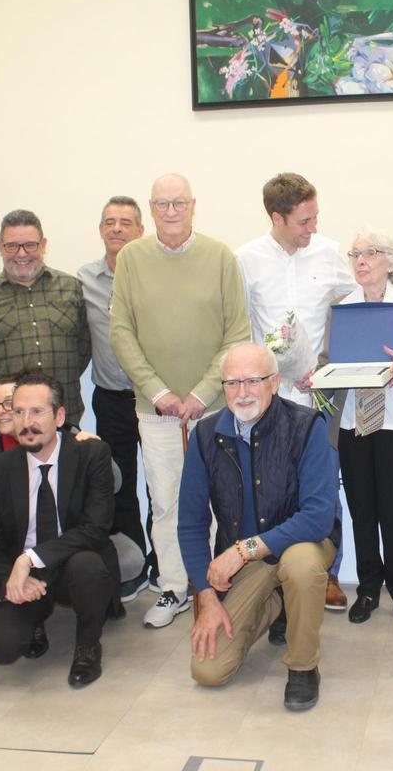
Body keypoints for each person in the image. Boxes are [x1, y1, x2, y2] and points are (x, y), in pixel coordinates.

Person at [110, 173, 250, 628]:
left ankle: (215, 585)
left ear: (193, 206)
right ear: (151, 209)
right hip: (157, 413)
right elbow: (121, 333)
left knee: (222, 501)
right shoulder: (131, 258)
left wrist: (200, 394)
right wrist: (161, 393)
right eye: (162, 204)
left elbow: (236, 333)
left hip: (214, 409)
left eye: (179, 203)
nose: (171, 212)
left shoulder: (220, 256)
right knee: (167, 501)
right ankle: (174, 587)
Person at [178, 343, 339, 710]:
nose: (243, 392)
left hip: (303, 543)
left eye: (253, 380)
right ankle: (278, 605)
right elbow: (191, 521)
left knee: (299, 566)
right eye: (233, 382)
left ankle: (302, 666)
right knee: (208, 670)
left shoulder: (307, 426)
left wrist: (240, 552)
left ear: (275, 382)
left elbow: (317, 517)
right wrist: (204, 595)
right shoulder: (205, 435)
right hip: (247, 562)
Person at [235, 172, 354, 610]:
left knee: (323, 482)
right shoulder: (245, 259)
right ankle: (276, 576)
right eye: (304, 221)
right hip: (267, 397)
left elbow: (357, 298)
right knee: (269, 487)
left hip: (318, 393)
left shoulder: (328, 253)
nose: (313, 229)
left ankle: (327, 575)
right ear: (277, 218)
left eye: (315, 218)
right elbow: (240, 325)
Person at [0, 373, 120, 688]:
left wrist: (30, 559)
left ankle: (88, 646)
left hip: (73, 563)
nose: (27, 422)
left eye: (37, 411)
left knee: (89, 565)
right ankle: (33, 617)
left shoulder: (92, 454)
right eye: (19, 412)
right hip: (28, 574)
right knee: (1, 647)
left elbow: (96, 529)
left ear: (60, 416)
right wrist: (14, 579)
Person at [320, 230, 393, 629]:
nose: (361, 261)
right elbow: (327, 359)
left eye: (371, 253)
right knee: (361, 510)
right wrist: (315, 379)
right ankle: (368, 587)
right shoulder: (340, 307)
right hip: (351, 424)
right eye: (356, 254)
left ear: (391, 261)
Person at [78, 195, 159, 602]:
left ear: (141, 230)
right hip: (111, 398)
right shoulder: (85, 279)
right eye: (109, 222)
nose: (116, 229)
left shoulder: (155, 273)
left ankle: (164, 562)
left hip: (157, 396)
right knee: (120, 482)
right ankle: (132, 567)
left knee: (161, 483)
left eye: (125, 222)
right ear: (100, 230)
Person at [0, 208, 91, 436]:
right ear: (0, 247)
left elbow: (83, 349)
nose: (21, 253)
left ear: (43, 245)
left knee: (66, 473)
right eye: (12, 246)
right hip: (5, 424)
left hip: (63, 418)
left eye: (30, 245)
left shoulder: (71, 288)